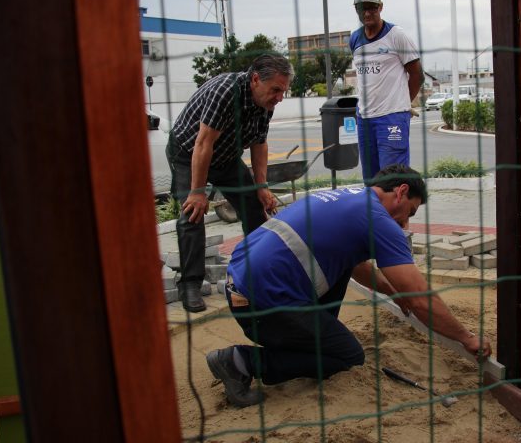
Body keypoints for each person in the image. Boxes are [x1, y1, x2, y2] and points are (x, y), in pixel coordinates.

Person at [206, 164, 491, 408]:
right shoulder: (378, 219)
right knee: (348, 356)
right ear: (401, 191)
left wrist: (394, 292)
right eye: (410, 212)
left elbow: (357, 266)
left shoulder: (345, 197)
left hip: (245, 286)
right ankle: (241, 361)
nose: (405, 224)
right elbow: (420, 299)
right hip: (263, 306)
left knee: (344, 264)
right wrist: (467, 338)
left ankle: (315, 339)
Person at [166, 53, 292, 313]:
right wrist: (198, 191)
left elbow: (259, 143)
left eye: (284, 91)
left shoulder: (265, 103)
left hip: (226, 157)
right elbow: (203, 143)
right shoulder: (225, 92)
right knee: (193, 212)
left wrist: (261, 186)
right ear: (256, 79)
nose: (280, 97)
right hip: (188, 153)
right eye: (276, 90)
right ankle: (190, 284)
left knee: (255, 208)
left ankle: (257, 270)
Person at [350, 0, 424, 180]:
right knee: (371, 181)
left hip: (392, 118)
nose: (367, 13)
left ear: (381, 7)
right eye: (362, 8)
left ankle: (396, 212)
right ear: (356, 10)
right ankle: (375, 212)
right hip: (365, 119)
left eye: (372, 7)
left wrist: (402, 104)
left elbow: (417, 75)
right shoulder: (355, 38)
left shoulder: (396, 35)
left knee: (392, 182)